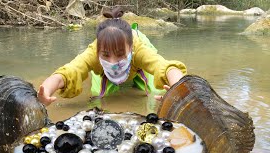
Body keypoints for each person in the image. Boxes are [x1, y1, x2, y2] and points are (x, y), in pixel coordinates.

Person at [38, 7, 187, 106]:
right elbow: (68, 72)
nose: (113, 62)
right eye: (106, 55)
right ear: (98, 52)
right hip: (104, 74)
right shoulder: (93, 53)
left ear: (131, 49)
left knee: (158, 93)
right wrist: (45, 93)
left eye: (120, 54)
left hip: (136, 66)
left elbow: (165, 67)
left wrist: (179, 91)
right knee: (97, 98)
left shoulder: (139, 49)